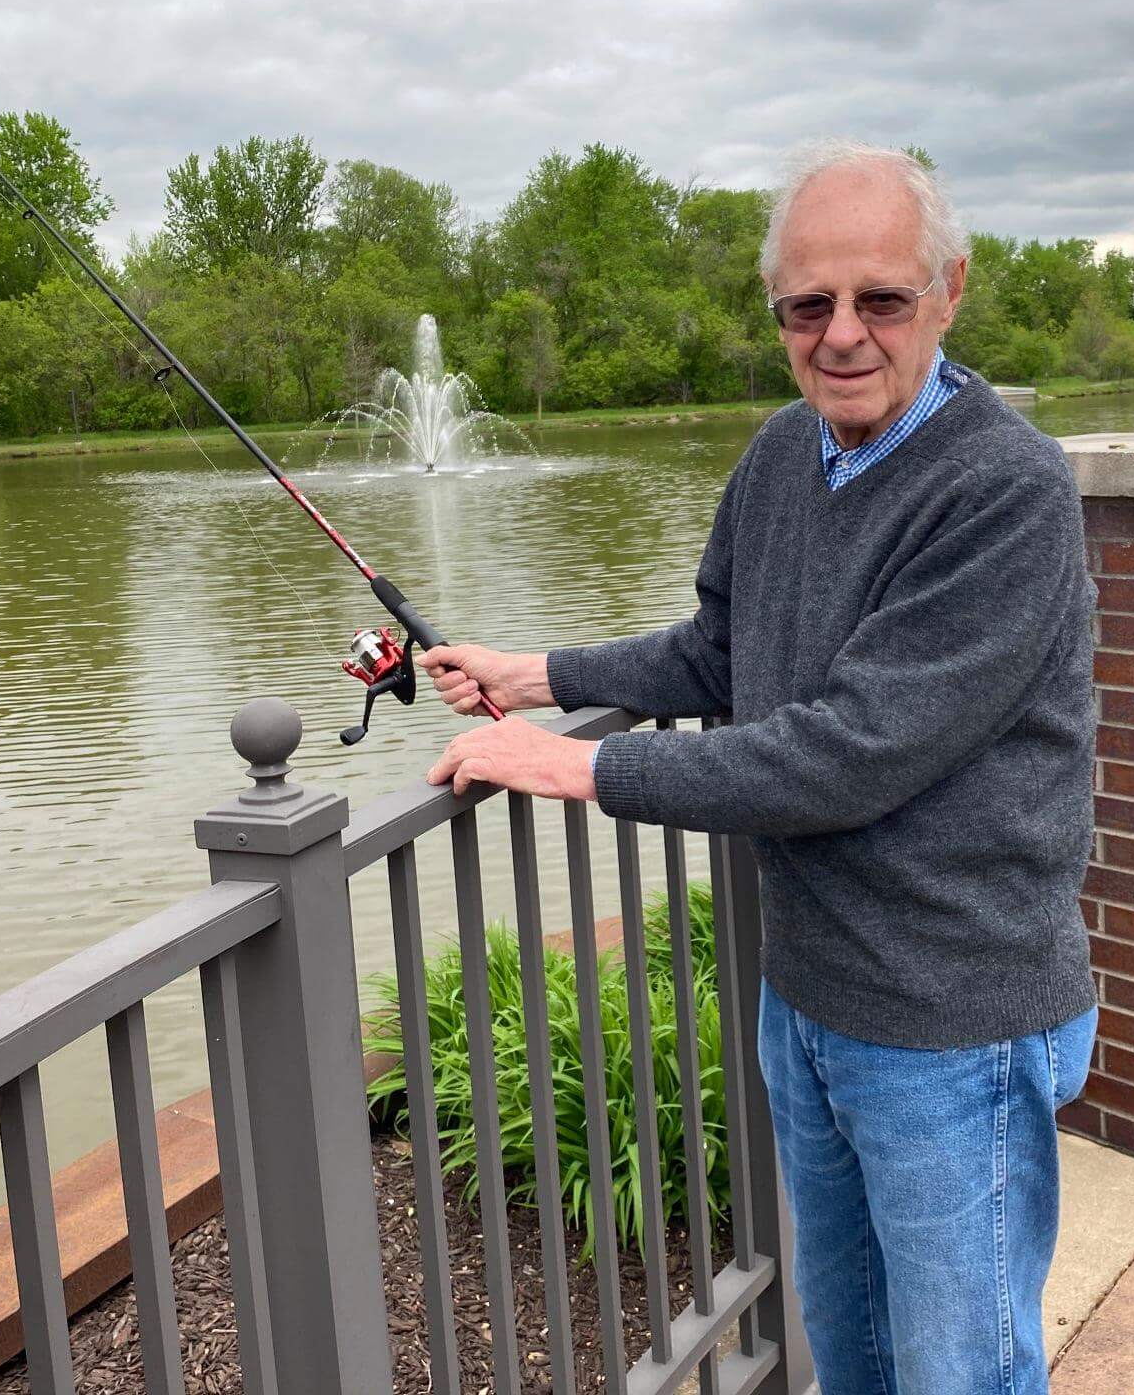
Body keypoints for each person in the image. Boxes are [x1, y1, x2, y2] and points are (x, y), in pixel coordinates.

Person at [423, 138, 1099, 1394]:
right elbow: (723, 652)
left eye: (880, 299)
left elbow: (849, 754)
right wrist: (542, 676)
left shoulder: (1009, 490)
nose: (842, 334)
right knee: (849, 1350)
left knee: (963, 1372)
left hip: (954, 1020)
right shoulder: (784, 456)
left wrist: (582, 773)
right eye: (808, 305)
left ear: (949, 291)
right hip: (812, 998)